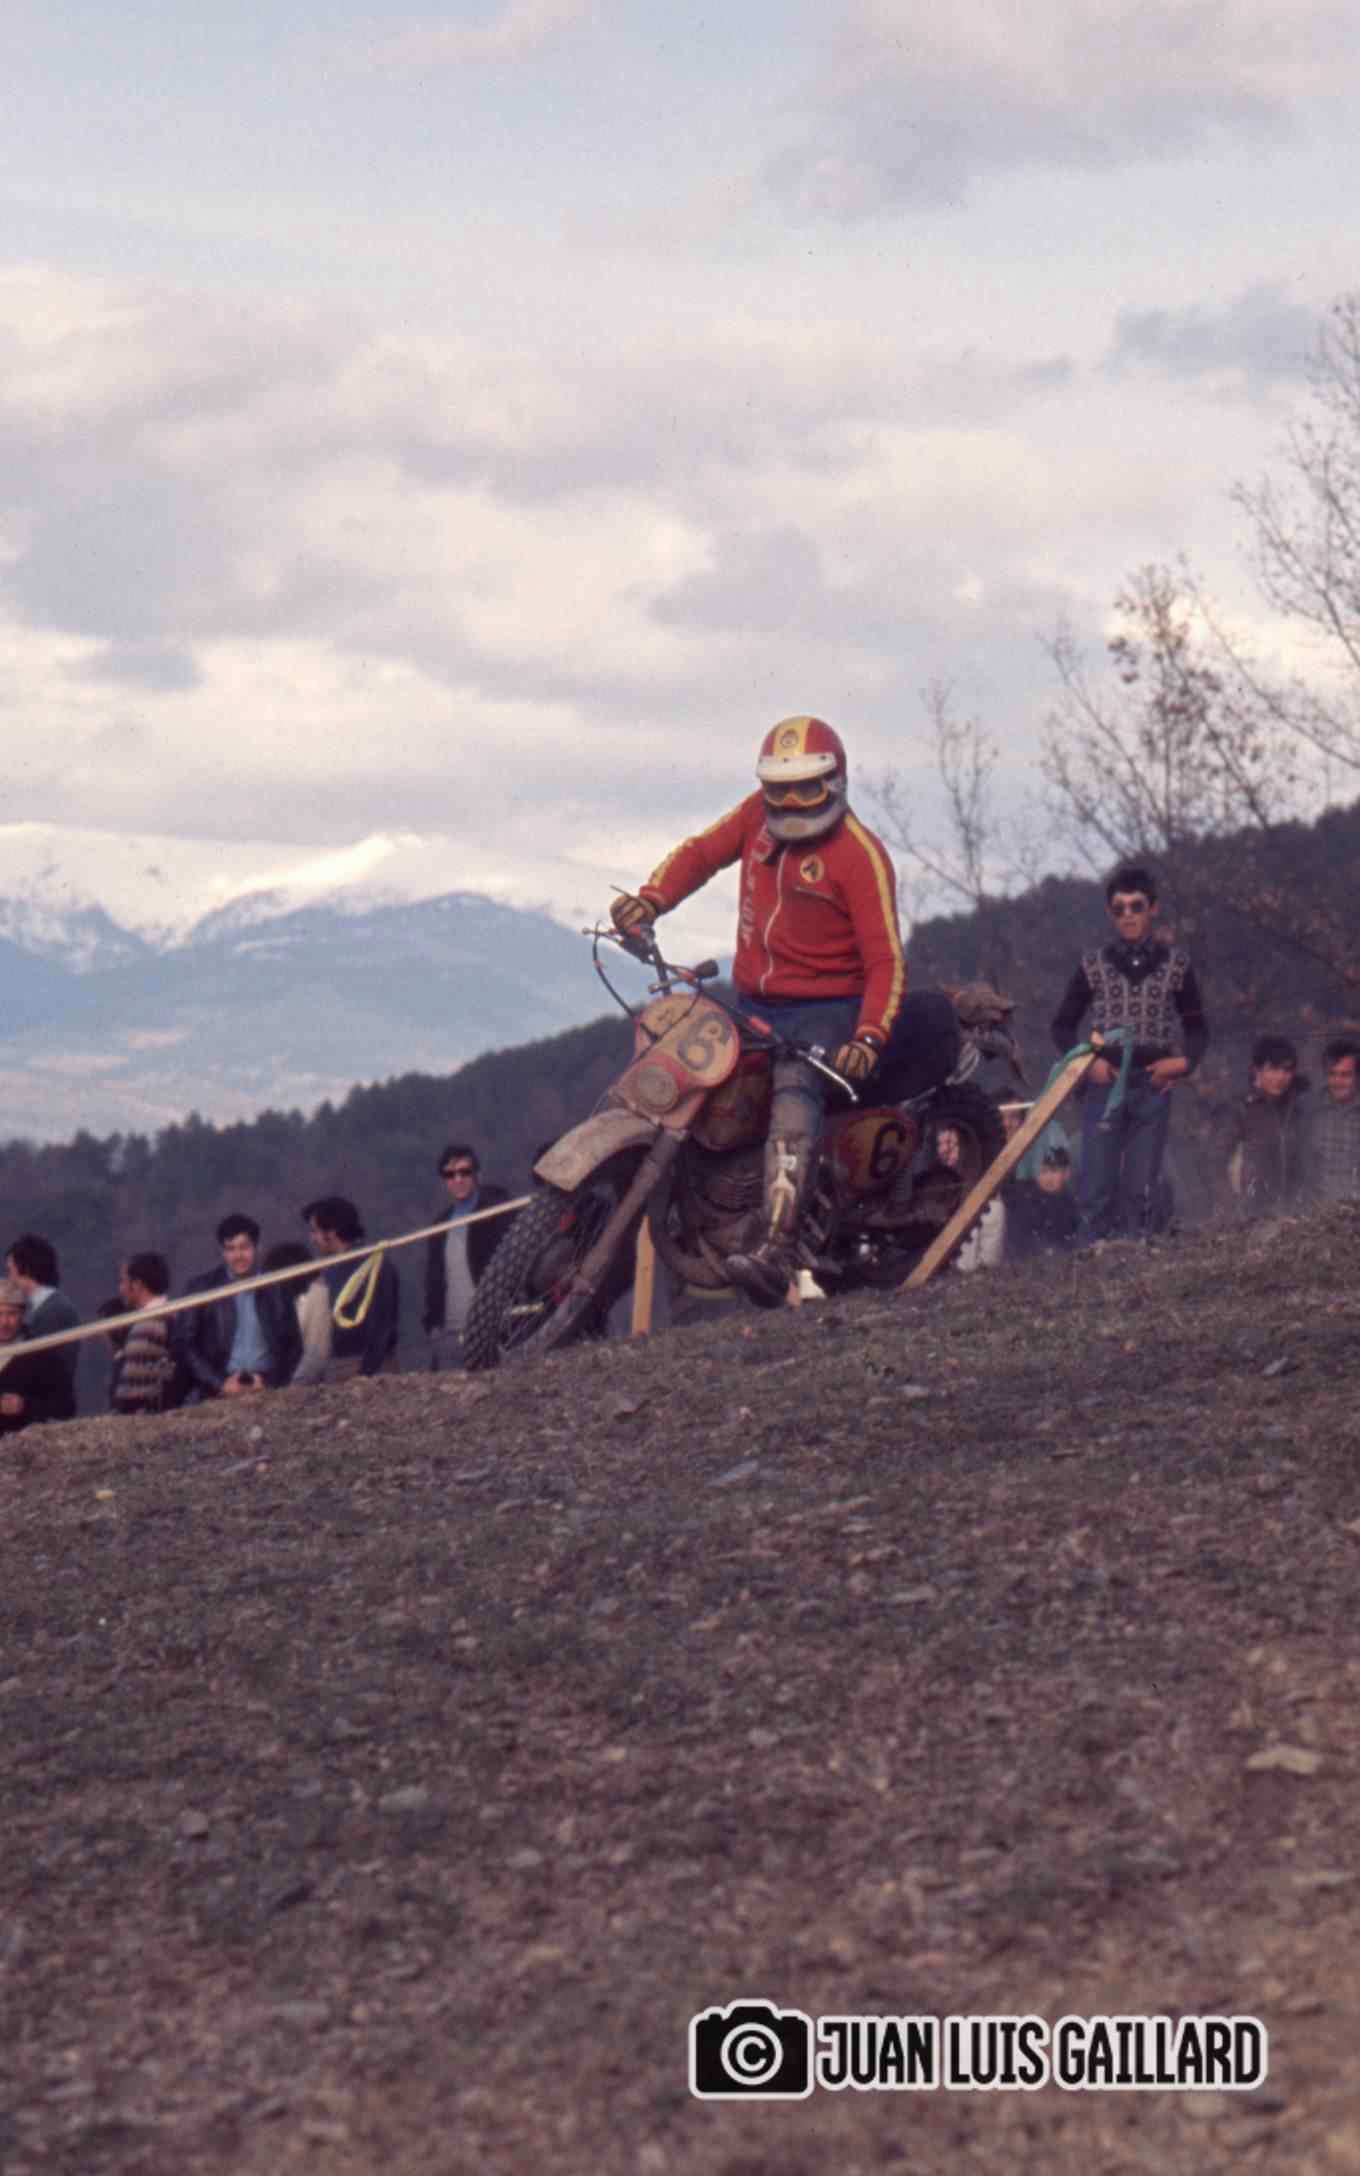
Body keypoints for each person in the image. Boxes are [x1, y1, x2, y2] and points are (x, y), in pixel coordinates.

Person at [610, 715, 908, 1306]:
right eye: (779, 787)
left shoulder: (860, 855)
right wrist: (651, 900)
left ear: (835, 783)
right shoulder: (755, 818)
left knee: (794, 1088)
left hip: (828, 1009)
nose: (791, 801)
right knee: (692, 1073)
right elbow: (701, 853)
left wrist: (868, 1036)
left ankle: (777, 1247)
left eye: (806, 787)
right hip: (754, 1001)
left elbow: (886, 960)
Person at [1051, 864, 1209, 1243]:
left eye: (1136, 906)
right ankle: (1089, 1265)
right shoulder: (1093, 965)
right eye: (1119, 908)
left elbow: (1198, 1028)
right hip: (1105, 1086)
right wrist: (1088, 1064)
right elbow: (1061, 1026)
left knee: (1142, 1190)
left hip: (1153, 1085)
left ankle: (1135, 1267)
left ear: (1153, 908)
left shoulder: (1176, 965)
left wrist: (1183, 1063)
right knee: (1095, 1188)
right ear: (1110, 913)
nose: (1128, 916)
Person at [183, 1213, 303, 1399]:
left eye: (244, 1247)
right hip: (218, 1392)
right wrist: (219, 1383)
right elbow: (185, 1345)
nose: (238, 1256)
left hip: (267, 1389)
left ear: (257, 1247)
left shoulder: (278, 1287)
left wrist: (269, 1382)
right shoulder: (201, 1288)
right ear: (222, 1252)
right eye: (230, 1249)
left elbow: (294, 1345)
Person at [423, 1143, 512, 1369]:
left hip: (493, 1329)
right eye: (450, 1175)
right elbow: (433, 1279)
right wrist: (432, 1325)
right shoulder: (439, 1225)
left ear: (476, 1174)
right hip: (450, 1336)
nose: (458, 1179)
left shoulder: (498, 1213)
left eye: (464, 1172)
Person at [303, 1197, 400, 1380]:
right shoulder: (328, 1270)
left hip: (372, 1367)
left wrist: (366, 1372)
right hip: (337, 1365)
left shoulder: (375, 1265)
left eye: (315, 1231)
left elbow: (382, 1324)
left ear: (331, 1232)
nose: (312, 1239)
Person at [1227, 1036, 1310, 1214]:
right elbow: (1216, 1164)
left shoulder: (1297, 1109)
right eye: (1273, 1069)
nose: (1280, 1077)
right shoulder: (1240, 1109)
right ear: (1256, 1070)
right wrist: (1231, 1208)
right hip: (1248, 1213)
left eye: (1287, 1070)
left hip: (1291, 1211)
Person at [4, 1233, 80, 1419]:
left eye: (10, 1271)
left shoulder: (55, 1311)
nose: (8, 1279)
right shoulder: (40, 1308)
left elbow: (52, 1372)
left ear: (25, 1269)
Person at [110, 1254, 189, 1416]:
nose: (121, 1289)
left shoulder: (148, 1326)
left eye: (123, 1281)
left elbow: (129, 1393)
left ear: (137, 1285)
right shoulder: (169, 1317)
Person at [0, 1278, 71, 1435]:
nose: (4, 1322)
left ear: (23, 1314)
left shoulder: (42, 1354)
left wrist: (25, 1406)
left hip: (21, 1445)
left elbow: (66, 1407)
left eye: (11, 1314)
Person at [1306, 1035, 1360, 1205]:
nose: (1338, 1081)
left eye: (1345, 1075)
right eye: (1332, 1074)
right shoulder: (1308, 1111)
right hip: (1317, 1212)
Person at [1007, 1147, 1080, 1260]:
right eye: (1043, 1172)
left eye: (1054, 1171)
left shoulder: (1071, 1203)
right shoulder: (1027, 1200)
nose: (1048, 1178)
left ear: (1066, 1173)